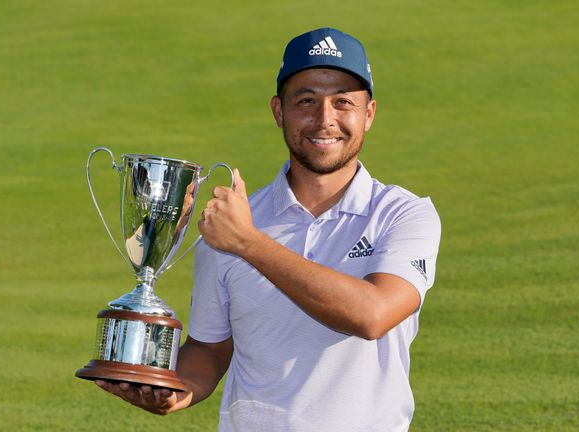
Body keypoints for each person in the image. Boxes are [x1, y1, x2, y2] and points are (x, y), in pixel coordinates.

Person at [96, 27, 441, 431]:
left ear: (368, 114)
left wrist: (249, 243)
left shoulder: (403, 214)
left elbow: (373, 315)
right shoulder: (234, 222)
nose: (324, 119)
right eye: (306, 101)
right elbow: (210, 349)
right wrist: (172, 390)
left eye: (342, 102)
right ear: (279, 112)